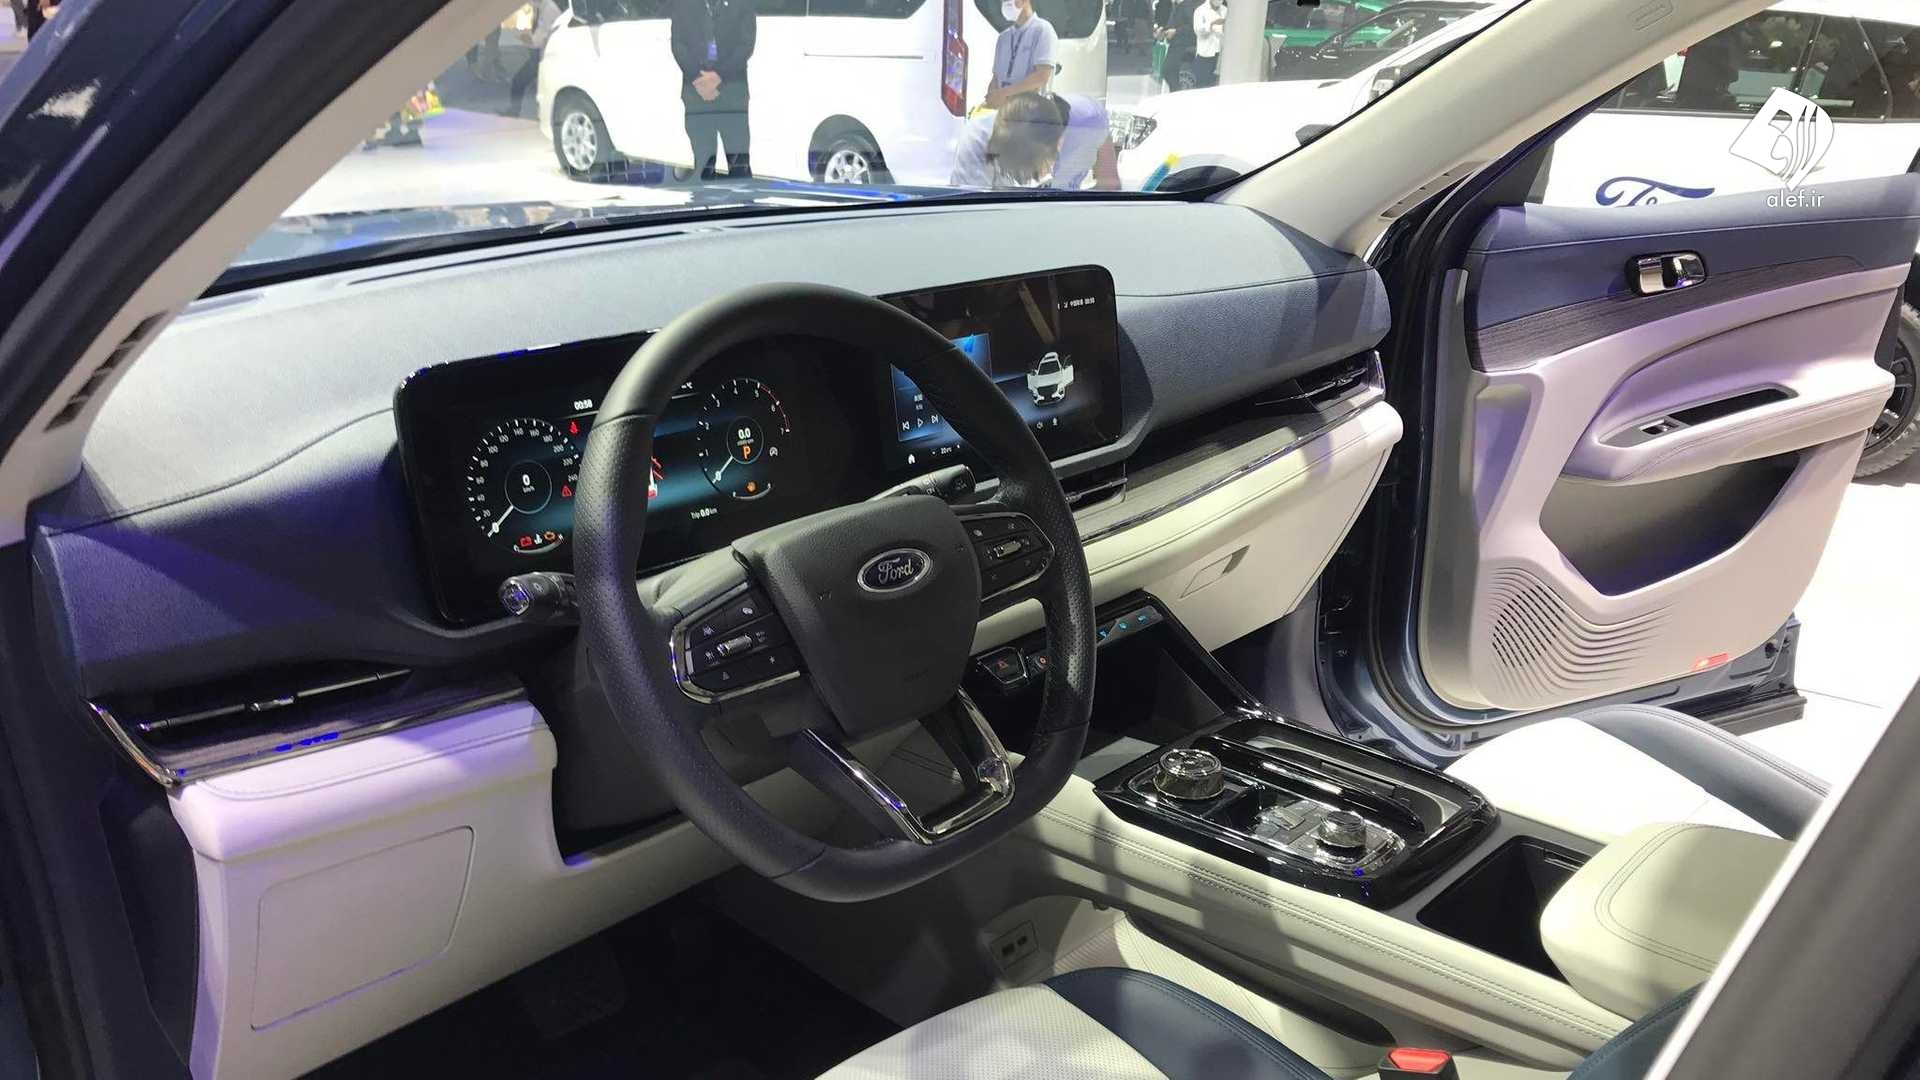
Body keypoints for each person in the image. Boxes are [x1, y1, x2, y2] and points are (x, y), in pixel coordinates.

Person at [950, 91, 1120, 191]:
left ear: (1059, 143)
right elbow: (970, 219)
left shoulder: (1088, 118)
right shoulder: (976, 141)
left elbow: (1110, 184)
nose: (1041, 175)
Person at [671, 0, 757, 179]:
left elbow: (746, 44)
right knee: (703, 164)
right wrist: (697, 78)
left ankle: (742, 196)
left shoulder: (742, 4)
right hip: (696, 95)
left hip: (732, 94)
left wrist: (719, 76)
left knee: (739, 164)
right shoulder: (683, 4)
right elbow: (678, 45)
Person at [983, 0, 1058, 110]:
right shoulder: (1003, 38)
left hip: (1031, 112)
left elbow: (1041, 77)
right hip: (1003, 112)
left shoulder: (1043, 30)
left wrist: (1005, 94)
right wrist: (992, 97)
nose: (1005, 3)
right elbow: (996, 77)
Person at [507, 1, 564, 118]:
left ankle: (516, 112)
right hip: (542, 55)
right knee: (521, 82)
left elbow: (536, 41)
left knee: (520, 81)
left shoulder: (549, 10)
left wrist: (519, 34)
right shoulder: (539, 6)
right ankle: (515, 111)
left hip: (547, 57)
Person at [1191, 0, 1225, 88]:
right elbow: (1198, 31)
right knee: (1201, 87)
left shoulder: (1225, 10)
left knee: (1216, 86)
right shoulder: (1200, 10)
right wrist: (1211, 24)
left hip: (1221, 55)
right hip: (1205, 55)